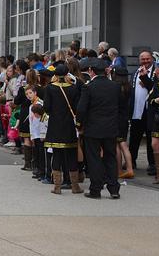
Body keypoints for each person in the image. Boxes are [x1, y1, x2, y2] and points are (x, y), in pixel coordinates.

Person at [78, 57, 124, 199]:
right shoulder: (115, 86)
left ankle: (95, 189)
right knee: (110, 157)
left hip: (93, 128)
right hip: (111, 128)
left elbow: (81, 109)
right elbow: (122, 108)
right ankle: (114, 188)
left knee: (94, 158)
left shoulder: (88, 87)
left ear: (91, 71)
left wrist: (79, 123)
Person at [43, 63, 83, 194]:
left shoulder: (49, 88)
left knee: (57, 155)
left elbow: (47, 108)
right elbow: (77, 108)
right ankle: (75, 186)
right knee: (71, 155)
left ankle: (57, 187)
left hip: (55, 125)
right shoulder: (73, 88)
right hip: (69, 126)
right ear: (67, 74)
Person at [128, 51, 156, 175]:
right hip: (137, 110)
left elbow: (156, 89)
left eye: (147, 59)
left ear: (152, 59)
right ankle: (131, 161)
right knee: (134, 138)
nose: (145, 61)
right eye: (143, 59)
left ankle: (152, 164)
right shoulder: (135, 72)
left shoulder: (157, 72)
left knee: (150, 140)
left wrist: (145, 80)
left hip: (149, 111)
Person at [112, 66, 135, 179]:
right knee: (124, 145)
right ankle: (130, 169)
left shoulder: (115, 88)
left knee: (116, 145)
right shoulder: (128, 87)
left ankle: (119, 170)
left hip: (115, 118)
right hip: (124, 118)